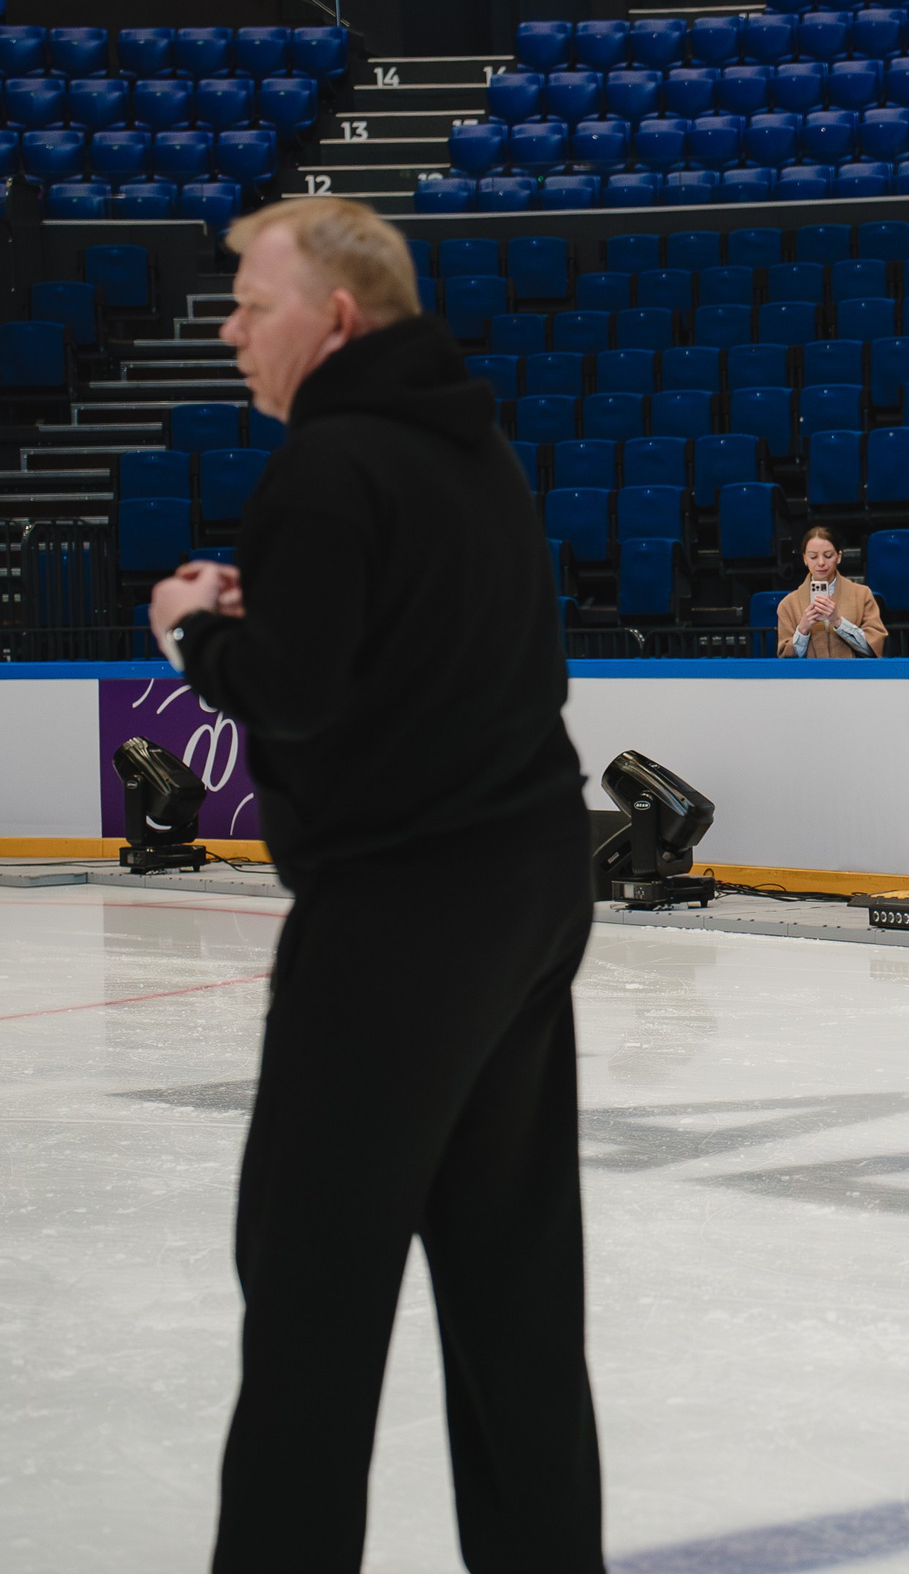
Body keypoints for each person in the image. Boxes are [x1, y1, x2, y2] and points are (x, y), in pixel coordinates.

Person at [146, 199, 603, 1571]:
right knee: (514, 1296)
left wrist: (190, 636)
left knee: (308, 1306)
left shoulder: (329, 464)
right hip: (525, 891)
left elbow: (289, 691)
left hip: (401, 920)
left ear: (336, 316)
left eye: (250, 301)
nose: (229, 330)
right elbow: (434, 661)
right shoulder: (474, 450)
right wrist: (264, 622)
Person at [774, 523, 886, 658]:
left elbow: (874, 649)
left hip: (851, 677)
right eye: (813, 557)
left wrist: (838, 621)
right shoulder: (788, 604)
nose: (821, 562)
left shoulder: (862, 595)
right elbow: (785, 657)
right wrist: (802, 630)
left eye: (828, 555)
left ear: (838, 557)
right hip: (809, 678)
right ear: (804, 559)